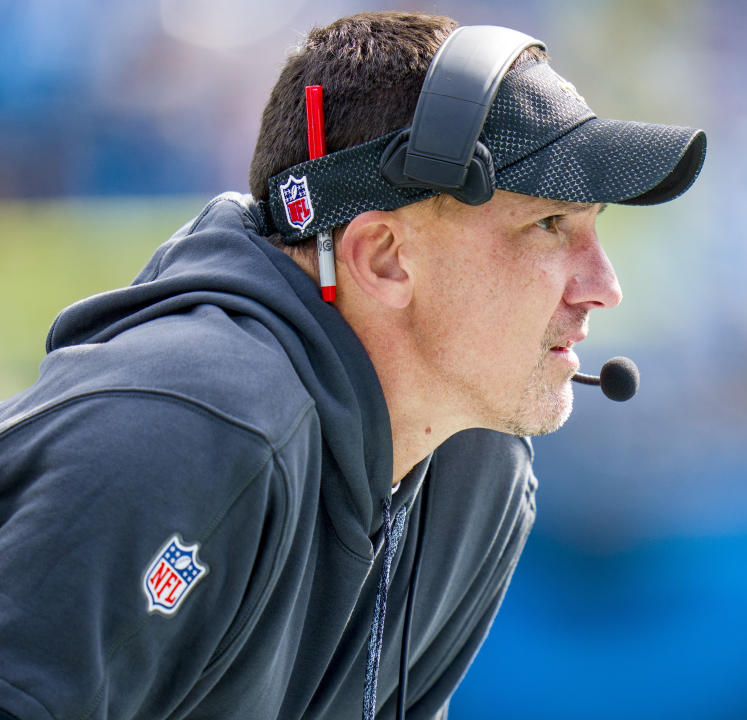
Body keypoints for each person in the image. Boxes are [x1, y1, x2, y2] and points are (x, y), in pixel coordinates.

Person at [0, 11, 705, 720]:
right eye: (549, 224)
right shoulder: (184, 438)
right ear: (384, 258)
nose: (604, 286)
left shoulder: (480, 473)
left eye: (594, 227)